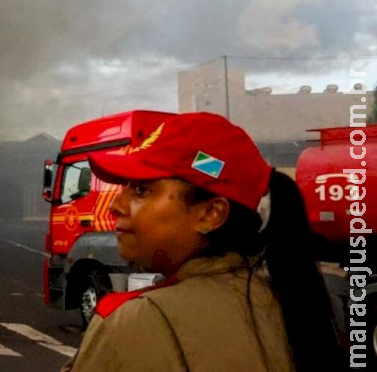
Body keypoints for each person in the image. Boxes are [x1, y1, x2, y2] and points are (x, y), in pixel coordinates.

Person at [61, 112, 342, 372]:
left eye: (142, 190)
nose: (115, 205)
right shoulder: (294, 302)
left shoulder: (134, 322)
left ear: (211, 214)